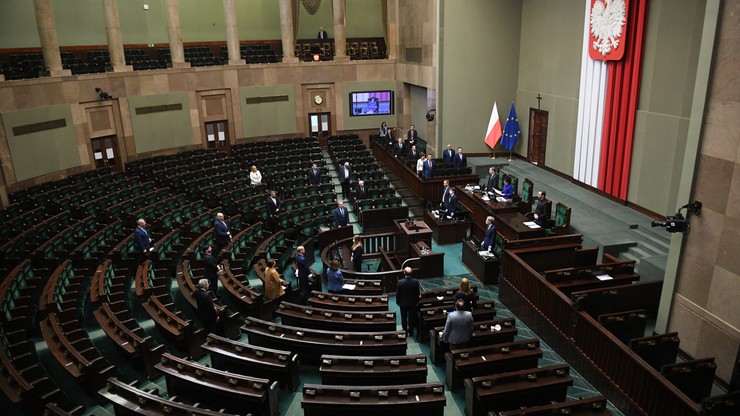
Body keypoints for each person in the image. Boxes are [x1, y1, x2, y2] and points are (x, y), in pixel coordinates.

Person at [396, 267, 420, 336]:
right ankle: (411, 332)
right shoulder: (415, 282)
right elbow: (417, 293)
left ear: (404, 273)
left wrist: (397, 302)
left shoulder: (400, 282)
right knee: (411, 318)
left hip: (403, 303)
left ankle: (404, 331)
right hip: (412, 303)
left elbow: (398, 294)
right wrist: (417, 301)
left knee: (404, 318)